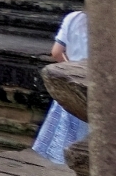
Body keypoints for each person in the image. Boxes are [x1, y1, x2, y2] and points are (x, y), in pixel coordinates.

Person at [32, 10, 89, 163]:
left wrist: (70, 71)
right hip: (92, 90)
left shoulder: (73, 18)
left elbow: (56, 52)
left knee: (61, 146)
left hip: (69, 87)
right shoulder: (108, 24)